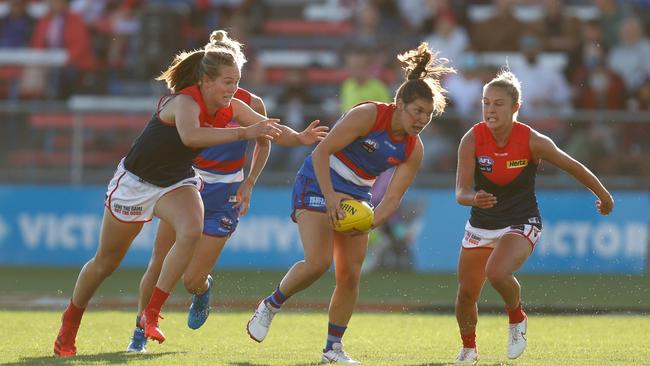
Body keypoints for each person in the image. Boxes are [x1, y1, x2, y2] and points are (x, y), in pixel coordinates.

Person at [52, 29, 285, 357]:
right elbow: (191, 137)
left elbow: (269, 132)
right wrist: (246, 132)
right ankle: (70, 324)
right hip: (136, 183)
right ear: (206, 79)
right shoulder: (184, 101)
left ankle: (149, 316)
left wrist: (303, 138)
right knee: (106, 262)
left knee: (190, 232)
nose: (233, 88)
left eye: (236, 81)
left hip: (178, 182)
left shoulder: (234, 103)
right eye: (227, 81)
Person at [246, 42, 455, 364]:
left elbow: (393, 198)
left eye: (428, 114)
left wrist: (368, 221)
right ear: (399, 104)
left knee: (350, 276)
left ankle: (333, 349)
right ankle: (270, 305)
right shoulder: (368, 114)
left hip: (357, 195)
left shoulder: (414, 149)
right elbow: (320, 153)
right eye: (417, 111)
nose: (422, 119)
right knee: (317, 263)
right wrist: (330, 197)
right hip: (318, 181)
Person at [125, 84, 328, 353]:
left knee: (191, 280)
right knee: (158, 262)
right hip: (185, 185)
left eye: (234, 78)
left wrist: (251, 182)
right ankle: (139, 333)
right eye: (224, 77)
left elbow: (267, 138)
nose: (230, 83)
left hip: (225, 195)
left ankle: (202, 288)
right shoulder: (190, 101)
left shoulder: (250, 103)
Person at [453, 70, 614, 364]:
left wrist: (603, 195)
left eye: (498, 103)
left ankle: (516, 316)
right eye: (486, 102)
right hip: (481, 223)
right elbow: (461, 192)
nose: (490, 109)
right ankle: (468, 349)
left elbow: (572, 165)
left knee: (497, 272)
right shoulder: (472, 139)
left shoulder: (532, 140)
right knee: (465, 295)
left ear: (516, 107)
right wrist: (473, 198)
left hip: (521, 220)